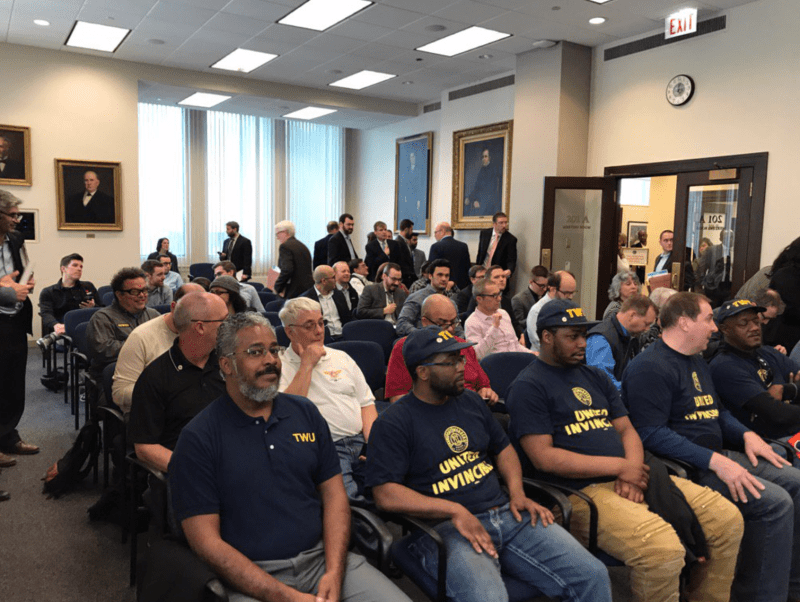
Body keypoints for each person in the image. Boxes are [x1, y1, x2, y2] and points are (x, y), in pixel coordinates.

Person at [507, 299, 743, 602]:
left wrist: (631, 469)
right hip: (578, 492)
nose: (583, 343)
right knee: (662, 548)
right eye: (573, 336)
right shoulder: (529, 386)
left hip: (634, 473)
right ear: (547, 337)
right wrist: (620, 468)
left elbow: (627, 429)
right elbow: (545, 457)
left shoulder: (594, 376)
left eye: (584, 334)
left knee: (726, 519)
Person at [169, 313, 410, 602]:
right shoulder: (199, 437)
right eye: (255, 352)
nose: (270, 359)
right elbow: (206, 543)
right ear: (226, 365)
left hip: (323, 562)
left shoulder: (304, 413)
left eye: (274, 349)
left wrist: (334, 571)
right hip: (251, 577)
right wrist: (287, 597)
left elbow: (335, 497)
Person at [366, 325, 613, 602]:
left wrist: (518, 493)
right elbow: (385, 494)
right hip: (445, 528)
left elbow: (504, 449)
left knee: (592, 574)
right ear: (422, 372)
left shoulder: (470, 401)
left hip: (507, 514)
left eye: (461, 358)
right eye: (451, 362)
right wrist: (454, 510)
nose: (462, 367)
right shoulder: (394, 422)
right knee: (488, 598)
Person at [623, 292, 800, 602]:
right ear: (683, 323)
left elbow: (717, 412)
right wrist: (714, 461)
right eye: (708, 319)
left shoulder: (695, 360)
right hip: (684, 468)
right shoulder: (648, 367)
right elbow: (650, 434)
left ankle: (789, 586)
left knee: (796, 483)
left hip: (716, 455)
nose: (714, 328)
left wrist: (746, 436)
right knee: (775, 503)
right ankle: (758, 595)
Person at [278, 298, 377, 501]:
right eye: (309, 325)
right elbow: (286, 413)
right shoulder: (279, 366)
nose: (319, 331)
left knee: (393, 484)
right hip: (325, 449)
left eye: (321, 323)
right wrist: (306, 364)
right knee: (347, 503)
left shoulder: (342, 357)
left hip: (362, 442)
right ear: (290, 332)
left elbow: (366, 404)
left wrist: (374, 444)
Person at [128, 292, 228, 473]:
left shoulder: (229, 364)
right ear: (200, 327)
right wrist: (192, 470)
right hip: (189, 467)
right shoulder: (156, 377)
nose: (230, 327)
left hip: (230, 458)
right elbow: (145, 447)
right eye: (224, 321)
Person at [710, 298, 800, 449]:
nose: (754, 328)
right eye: (744, 323)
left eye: (756, 321)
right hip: (768, 445)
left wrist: (788, 390)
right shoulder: (724, 366)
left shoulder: (768, 352)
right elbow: (776, 413)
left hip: (792, 432)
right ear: (725, 329)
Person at [386, 294, 496, 404]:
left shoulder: (464, 345)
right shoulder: (406, 347)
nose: (450, 329)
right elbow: (397, 399)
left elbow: (484, 386)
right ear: (425, 322)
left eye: (453, 322)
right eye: (443, 323)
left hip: (471, 408)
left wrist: (486, 392)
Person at [112, 283, 204, 414]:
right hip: (153, 414)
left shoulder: (204, 332)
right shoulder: (142, 337)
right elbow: (120, 394)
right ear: (174, 308)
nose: (198, 322)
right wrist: (166, 393)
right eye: (192, 313)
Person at [0, 189, 37, 469]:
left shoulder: (14, 238)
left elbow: (18, 274)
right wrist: (8, 288)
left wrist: (24, 283)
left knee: (14, 382)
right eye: (12, 216)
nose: (16, 221)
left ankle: (9, 436)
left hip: (15, 319)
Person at [86, 267, 160, 381]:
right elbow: (104, 351)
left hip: (151, 371)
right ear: (120, 295)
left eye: (145, 290)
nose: (142, 295)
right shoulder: (102, 318)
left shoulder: (153, 315)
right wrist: (143, 346)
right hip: (115, 376)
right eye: (135, 292)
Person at [586, 294, 658, 390]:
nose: (647, 329)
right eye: (646, 323)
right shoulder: (600, 339)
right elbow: (602, 383)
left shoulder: (630, 336)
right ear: (632, 315)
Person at [465, 278, 533, 360]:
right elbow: (477, 355)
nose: (499, 299)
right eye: (494, 296)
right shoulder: (472, 322)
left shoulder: (503, 313)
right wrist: (494, 328)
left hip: (515, 361)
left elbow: (515, 345)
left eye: (499, 294)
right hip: (495, 367)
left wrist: (531, 354)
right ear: (479, 299)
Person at [396, 259, 464, 337]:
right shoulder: (416, 298)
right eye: (440, 275)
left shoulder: (451, 303)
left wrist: (460, 342)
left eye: (447, 275)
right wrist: (424, 336)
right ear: (430, 276)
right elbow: (402, 324)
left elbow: (458, 329)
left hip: (447, 344)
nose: (444, 279)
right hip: (422, 344)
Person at [38, 253, 100, 335]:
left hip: (86, 329)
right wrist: (55, 325)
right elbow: (46, 314)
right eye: (75, 265)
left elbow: (103, 308)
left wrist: (93, 307)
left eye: (81, 267)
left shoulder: (88, 286)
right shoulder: (49, 292)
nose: (79, 269)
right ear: (63, 269)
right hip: (63, 330)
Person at [526, 270, 577, 352]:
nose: (570, 297)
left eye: (572, 293)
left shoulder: (570, 307)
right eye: (566, 293)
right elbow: (539, 342)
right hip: (544, 357)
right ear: (553, 289)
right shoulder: (537, 310)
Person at [464, 265, 518, 336]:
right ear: (487, 280)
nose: (502, 279)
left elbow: (515, 324)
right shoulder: (478, 300)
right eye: (496, 277)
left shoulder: (506, 300)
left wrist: (522, 335)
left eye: (503, 276)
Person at [301, 265, 352, 339]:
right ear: (324, 281)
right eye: (333, 277)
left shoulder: (338, 294)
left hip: (343, 335)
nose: (336, 279)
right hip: (322, 339)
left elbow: (347, 318)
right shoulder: (306, 299)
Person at [273, 220, 314, 300]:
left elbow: (287, 270)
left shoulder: (285, 246)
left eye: (277, 234)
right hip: (307, 289)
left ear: (285, 232)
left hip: (293, 290)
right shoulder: (303, 246)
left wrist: (277, 287)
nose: (277, 238)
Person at [475, 212, 517, 282]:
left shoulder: (510, 239)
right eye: (501, 223)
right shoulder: (484, 234)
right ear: (494, 224)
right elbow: (480, 253)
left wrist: (509, 270)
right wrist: (476, 269)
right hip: (482, 273)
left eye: (505, 222)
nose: (504, 225)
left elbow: (512, 260)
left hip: (497, 276)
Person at [429, 221, 470, 289]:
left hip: (442, 285)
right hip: (460, 286)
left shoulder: (436, 246)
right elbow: (467, 268)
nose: (434, 235)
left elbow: (432, 269)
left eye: (435, 232)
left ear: (442, 232)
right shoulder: (463, 246)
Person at [463, 147, 502, 216]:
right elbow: (477, 188)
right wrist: (469, 198)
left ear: (489, 157)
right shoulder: (482, 170)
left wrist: (478, 201)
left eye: (486, 156)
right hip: (480, 201)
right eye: (483, 157)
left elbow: (490, 191)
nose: (484, 159)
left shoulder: (493, 171)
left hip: (489, 204)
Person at [511, 265, 548, 334]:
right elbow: (518, 324)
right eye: (541, 286)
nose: (545, 289)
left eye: (546, 285)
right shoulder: (518, 299)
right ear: (531, 282)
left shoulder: (547, 295)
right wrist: (538, 317)